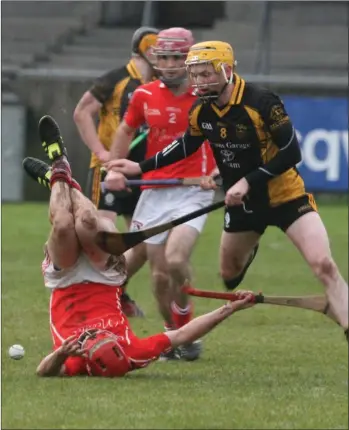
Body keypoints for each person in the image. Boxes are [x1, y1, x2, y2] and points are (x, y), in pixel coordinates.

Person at [104, 40, 349, 342]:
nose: (200, 81)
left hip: (286, 196)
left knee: (323, 264)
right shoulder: (202, 109)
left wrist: (247, 180)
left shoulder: (262, 102)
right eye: (195, 74)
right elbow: (185, 145)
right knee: (230, 275)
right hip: (244, 204)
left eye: (206, 74)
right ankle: (251, 246)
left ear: (227, 70)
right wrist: (140, 167)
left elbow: (290, 152)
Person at [23, 115, 254, 377]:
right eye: (103, 336)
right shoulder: (133, 351)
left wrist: (59, 355)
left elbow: (43, 372)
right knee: (86, 221)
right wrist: (231, 308)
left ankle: (58, 174)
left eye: (92, 340)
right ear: (118, 346)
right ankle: (62, 175)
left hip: (65, 280)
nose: (96, 334)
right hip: (105, 277)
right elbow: (182, 335)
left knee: (64, 224)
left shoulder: (76, 360)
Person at [108, 28, 217, 361]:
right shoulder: (144, 95)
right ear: (155, 59)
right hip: (154, 191)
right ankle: (175, 336)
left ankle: (185, 323)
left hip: (194, 189)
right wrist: (114, 168)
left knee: (176, 259)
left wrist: (219, 171)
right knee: (158, 278)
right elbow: (126, 129)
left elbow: (226, 136)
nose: (170, 65)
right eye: (164, 57)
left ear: (190, 60)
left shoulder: (206, 97)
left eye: (177, 58)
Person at [73, 26, 160, 317]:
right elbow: (81, 112)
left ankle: (115, 290)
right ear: (149, 50)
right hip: (109, 171)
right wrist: (101, 152)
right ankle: (91, 296)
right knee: (105, 234)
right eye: (162, 51)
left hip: (142, 171)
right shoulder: (116, 79)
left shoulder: (160, 85)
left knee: (144, 243)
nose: (169, 59)